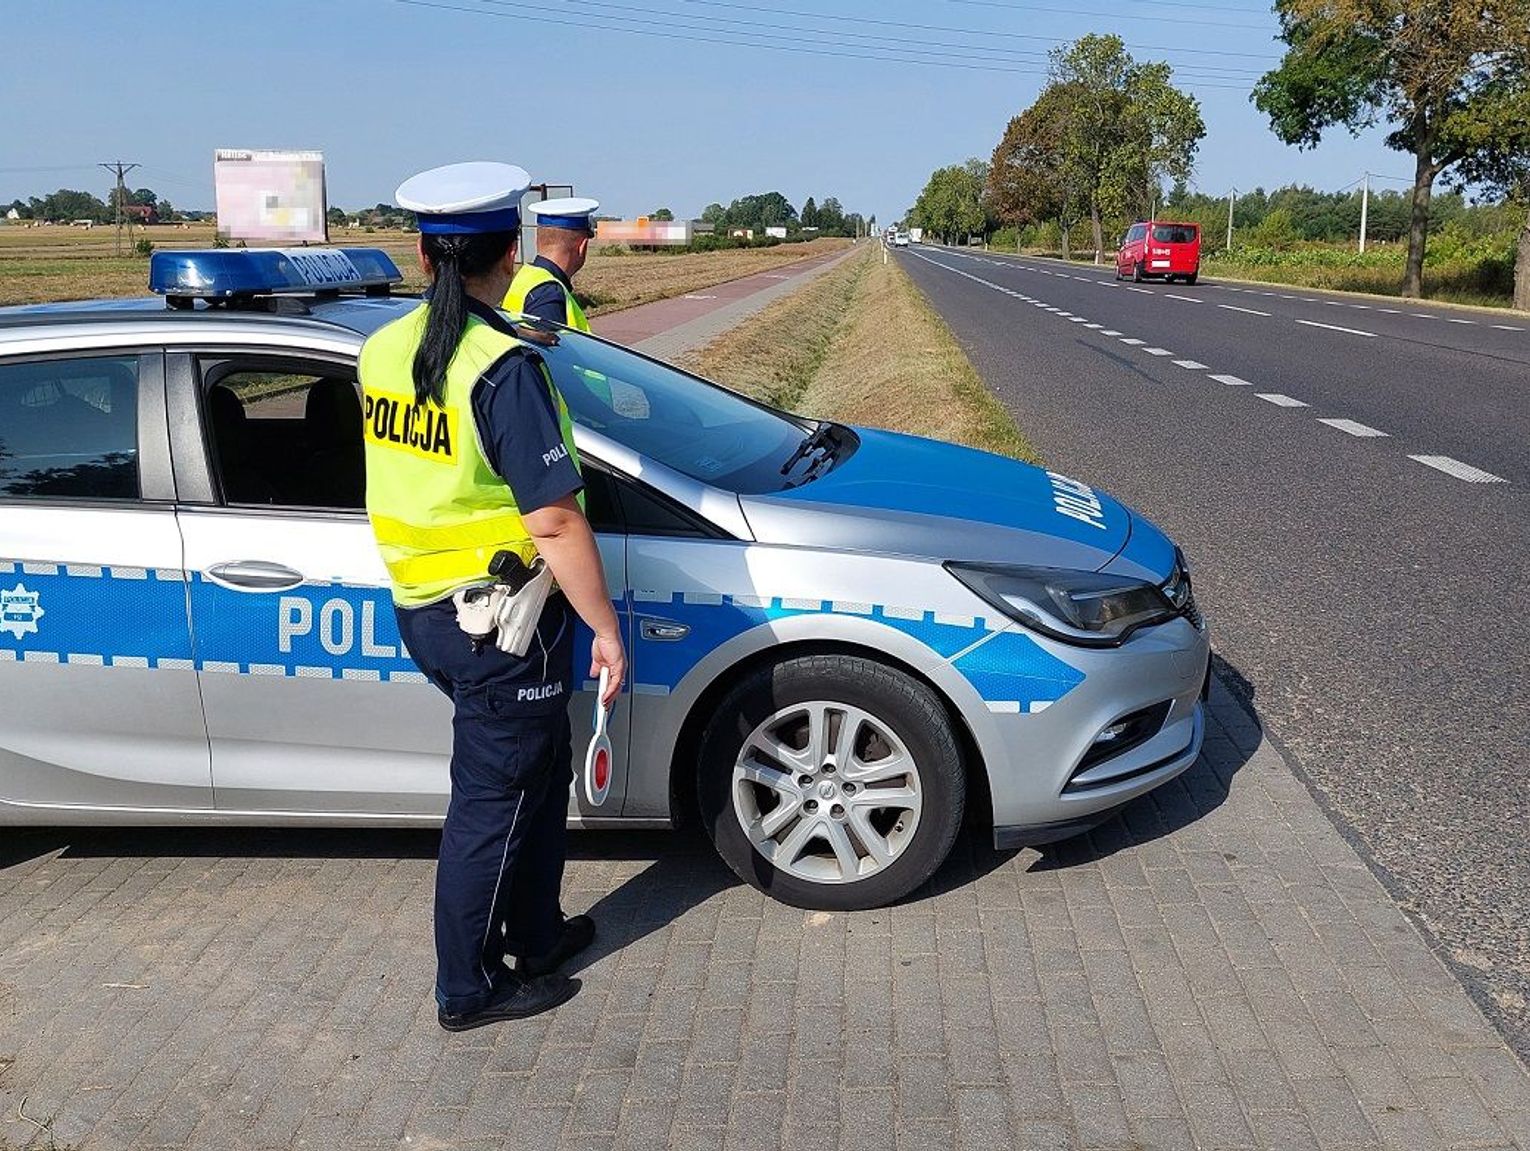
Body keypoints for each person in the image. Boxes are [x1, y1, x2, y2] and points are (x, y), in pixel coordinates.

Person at [360, 162, 626, 1032]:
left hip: (427, 608)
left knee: (534, 773)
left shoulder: (381, 348)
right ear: (508, 253)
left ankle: (537, 932)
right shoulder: (500, 364)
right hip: (501, 621)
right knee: (494, 799)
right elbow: (553, 517)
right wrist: (606, 628)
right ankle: (467, 987)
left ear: (422, 250)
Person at [502, 196, 600, 330]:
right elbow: (553, 350)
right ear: (582, 246)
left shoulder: (525, 277)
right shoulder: (549, 295)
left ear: (538, 240)